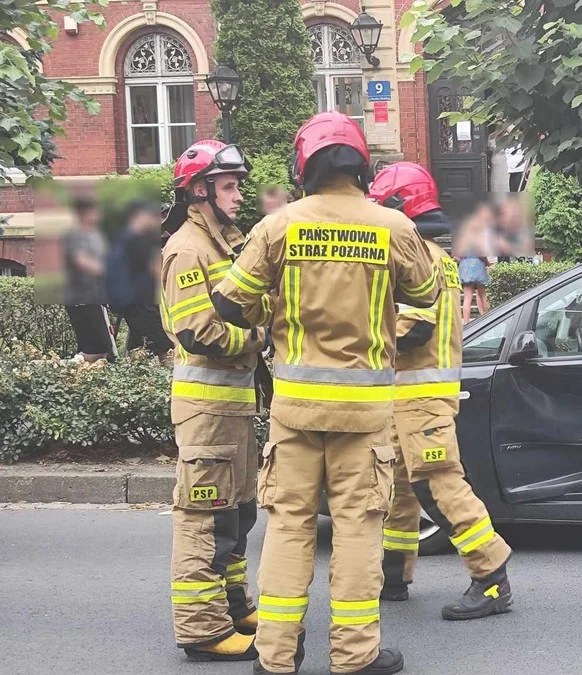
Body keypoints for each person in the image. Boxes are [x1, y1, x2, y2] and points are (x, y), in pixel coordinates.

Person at [212, 111, 442, 675]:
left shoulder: (279, 226)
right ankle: (354, 655)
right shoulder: (391, 226)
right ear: (362, 165)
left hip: (294, 411)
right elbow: (428, 291)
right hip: (364, 418)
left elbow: (227, 302)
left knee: (289, 528)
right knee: (360, 530)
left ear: (303, 165)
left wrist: (276, 307)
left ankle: (277, 653)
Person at [368, 162, 515, 620]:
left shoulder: (416, 256)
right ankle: (393, 575)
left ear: (399, 207)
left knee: (440, 485)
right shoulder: (435, 255)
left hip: (419, 396)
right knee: (399, 488)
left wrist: (359, 340)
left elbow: (411, 329)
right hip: (414, 393)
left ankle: (491, 578)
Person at [158, 140, 268, 663]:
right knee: (204, 518)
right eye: (230, 186)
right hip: (206, 414)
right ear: (198, 191)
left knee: (237, 514)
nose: (239, 194)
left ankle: (232, 605)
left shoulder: (224, 244)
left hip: (233, 412)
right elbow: (198, 333)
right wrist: (257, 339)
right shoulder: (188, 248)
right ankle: (201, 630)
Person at [107, 200, 172, 359]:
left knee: (140, 346)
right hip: (140, 301)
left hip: (131, 301)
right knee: (166, 348)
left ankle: (137, 375)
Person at [63, 195, 117, 362]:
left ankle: (75, 374)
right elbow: (83, 262)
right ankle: (65, 371)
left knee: (99, 349)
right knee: (99, 350)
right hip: (83, 299)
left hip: (93, 297)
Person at [454, 202, 495, 322]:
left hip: (465, 266)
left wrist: (463, 262)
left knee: (467, 297)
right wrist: (488, 262)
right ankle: (485, 319)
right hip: (477, 265)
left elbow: (456, 255)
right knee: (482, 295)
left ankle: (466, 322)